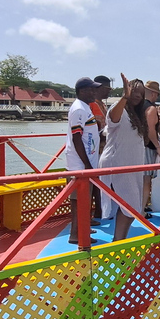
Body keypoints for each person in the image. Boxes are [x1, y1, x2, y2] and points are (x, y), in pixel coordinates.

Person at [99, 74, 147, 241]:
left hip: (132, 165)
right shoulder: (118, 108)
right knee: (130, 206)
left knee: (132, 207)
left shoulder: (136, 114)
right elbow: (112, 120)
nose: (137, 96)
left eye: (141, 94)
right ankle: (118, 241)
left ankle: (119, 239)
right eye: (134, 91)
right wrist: (124, 97)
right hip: (118, 163)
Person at [65, 77, 102, 244]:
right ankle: (77, 234)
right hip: (79, 164)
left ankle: (82, 227)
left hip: (86, 161)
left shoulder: (85, 108)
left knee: (83, 199)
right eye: (91, 89)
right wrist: (86, 165)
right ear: (81, 91)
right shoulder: (79, 109)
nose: (94, 92)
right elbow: (77, 138)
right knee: (78, 200)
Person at [140, 80, 160, 217]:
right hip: (147, 147)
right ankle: (142, 209)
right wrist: (158, 147)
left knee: (140, 178)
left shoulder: (138, 106)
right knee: (146, 179)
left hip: (137, 145)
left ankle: (139, 206)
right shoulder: (150, 108)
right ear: (154, 94)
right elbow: (150, 131)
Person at [90, 75, 112, 217]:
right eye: (107, 88)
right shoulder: (91, 105)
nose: (109, 92)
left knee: (102, 181)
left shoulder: (103, 105)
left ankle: (102, 209)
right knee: (95, 182)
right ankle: (98, 210)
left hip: (104, 148)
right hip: (95, 149)